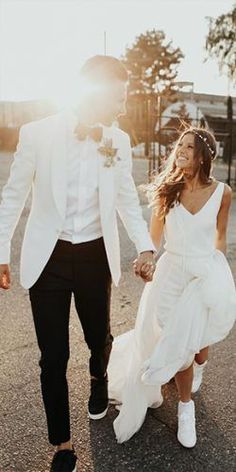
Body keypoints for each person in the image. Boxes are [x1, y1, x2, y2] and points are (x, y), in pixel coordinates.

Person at [0, 55, 156, 472]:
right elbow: (13, 195)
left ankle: (99, 378)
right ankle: (61, 445)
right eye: (119, 98)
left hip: (94, 255)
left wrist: (145, 246)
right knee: (52, 355)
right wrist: (0, 251)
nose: (122, 108)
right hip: (47, 258)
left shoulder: (117, 141)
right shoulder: (36, 134)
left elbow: (126, 199)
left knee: (98, 336)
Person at [108, 127, 236, 448]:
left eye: (189, 146)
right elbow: (154, 239)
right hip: (171, 275)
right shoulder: (167, 192)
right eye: (180, 144)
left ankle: (197, 367)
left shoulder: (223, 193)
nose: (181, 150)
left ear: (204, 155)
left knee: (200, 345)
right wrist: (147, 259)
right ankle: (185, 408)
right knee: (180, 343)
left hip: (203, 272)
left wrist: (220, 271)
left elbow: (220, 235)